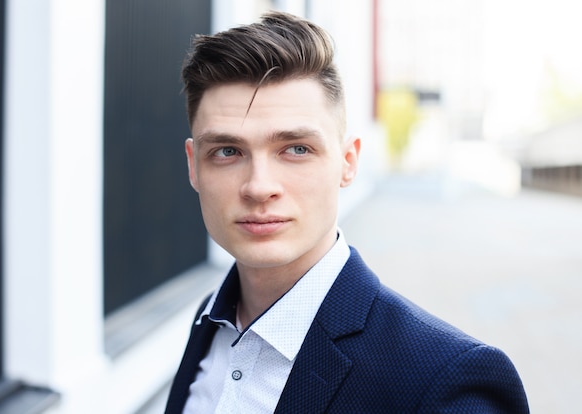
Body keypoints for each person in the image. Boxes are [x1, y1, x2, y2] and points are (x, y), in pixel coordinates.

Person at [165, 11, 529, 414]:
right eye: (228, 152)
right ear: (193, 165)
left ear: (348, 162)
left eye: (296, 149)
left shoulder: (447, 380)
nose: (258, 186)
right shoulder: (208, 322)